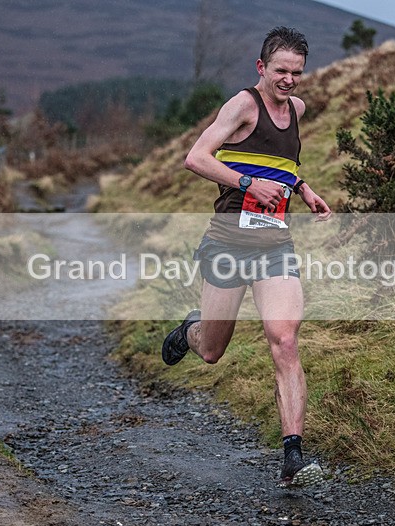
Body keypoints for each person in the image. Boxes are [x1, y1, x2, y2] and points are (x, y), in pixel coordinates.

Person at [161, 26, 331, 487]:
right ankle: (190, 329)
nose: (289, 80)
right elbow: (196, 158)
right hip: (229, 242)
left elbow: (283, 162)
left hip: (275, 243)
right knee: (213, 351)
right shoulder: (242, 105)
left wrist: (303, 188)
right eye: (281, 71)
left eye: (297, 72)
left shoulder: (296, 109)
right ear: (262, 67)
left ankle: (293, 456)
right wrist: (245, 184)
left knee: (286, 339)